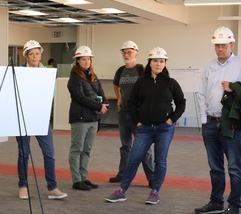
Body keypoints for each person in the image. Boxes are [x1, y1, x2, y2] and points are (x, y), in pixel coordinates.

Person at [194, 27, 241, 214]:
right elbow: (201, 94)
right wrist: (204, 119)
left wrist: (235, 88)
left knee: (234, 166)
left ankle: (234, 206)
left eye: (223, 45)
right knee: (214, 167)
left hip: (231, 124)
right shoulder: (209, 67)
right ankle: (216, 202)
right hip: (210, 122)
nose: (220, 49)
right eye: (217, 45)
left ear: (232, 45)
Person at [106, 47, 185, 204]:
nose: (158, 64)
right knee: (134, 159)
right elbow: (132, 102)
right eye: (155, 61)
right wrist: (138, 121)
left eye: (161, 61)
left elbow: (181, 102)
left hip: (164, 128)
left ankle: (155, 191)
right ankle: (122, 190)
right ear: (150, 63)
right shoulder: (141, 82)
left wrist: (172, 119)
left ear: (165, 63)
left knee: (160, 161)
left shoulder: (171, 83)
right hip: (145, 129)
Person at [16, 40, 67, 200]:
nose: (34, 56)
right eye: (31, 54)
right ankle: (23, 186)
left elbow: (50, 94)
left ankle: (52, 187)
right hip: (23, 117)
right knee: (24, 153)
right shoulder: (19, 71)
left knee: (49, 153)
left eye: (37, 53)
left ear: (41, 54)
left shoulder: (47, 72)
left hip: (41, 117)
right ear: (26, 56)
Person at [109, 40, 154, 187]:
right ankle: (122, 174)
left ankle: (151, 177)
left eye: (129, 52)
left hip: (139, 115)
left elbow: (149, 86)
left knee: (143, 146)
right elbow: (116, 85)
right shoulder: (120, 70)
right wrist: (120, 97)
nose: (126, 55)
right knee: (125, 145)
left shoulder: (142, 70)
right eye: (124, 52)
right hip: (124, 113)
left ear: (136, 54)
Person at [67, 46, 107, 191]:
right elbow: (80, 97)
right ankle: (76, 180)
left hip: (92, 119)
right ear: (77, 61)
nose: (86, 61)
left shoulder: (93, 76)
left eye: (88, 59)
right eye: (83, 59)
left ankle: (84, 177)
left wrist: (105, 103)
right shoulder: (74, 78)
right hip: (80, 118)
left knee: (86, 150)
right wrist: (98, 107)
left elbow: (100, 91)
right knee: (77, 149)